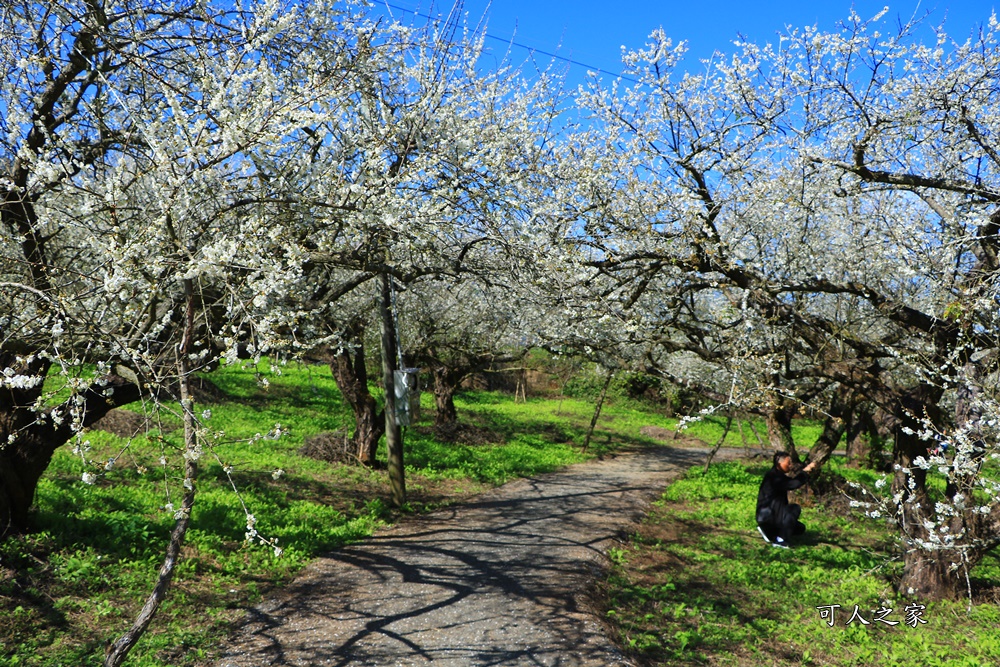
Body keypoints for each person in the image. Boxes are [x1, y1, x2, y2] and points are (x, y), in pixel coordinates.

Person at [755, 451, 817, 548]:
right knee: (794, 508)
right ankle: (781, 540)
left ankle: (770, 533)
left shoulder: (774, 475)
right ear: (779, 464)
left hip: (767, 516)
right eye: (788, 463)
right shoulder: (774, 478)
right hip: (768, 516)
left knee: (799, 528)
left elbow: (791, 482)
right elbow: (794, 484)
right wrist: (805, 472)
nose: (790, 465)